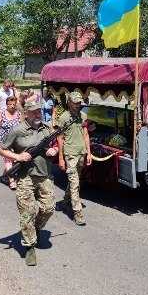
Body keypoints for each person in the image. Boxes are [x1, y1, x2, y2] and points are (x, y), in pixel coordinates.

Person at [0, 99, 58, 266]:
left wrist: (55, 150)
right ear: (26, 113)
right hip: (25, 177)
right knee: (27, 212)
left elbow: (54, 144)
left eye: (39, 111)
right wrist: (17, 157)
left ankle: (35, 229)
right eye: (34, 112)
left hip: (44, 175)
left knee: (48, 208)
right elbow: (0, 148)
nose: (38, 114)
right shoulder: (18, 130)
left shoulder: (46, 128)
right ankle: (29, 245)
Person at [56, 92, 92, 226]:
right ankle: (78, 213)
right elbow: (60, 138)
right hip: (70, 154)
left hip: (81, 153)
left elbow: (86, 134)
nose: (77, 105)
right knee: (74, 182)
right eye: (75, 102)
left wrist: (89, 153)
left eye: (79, 103)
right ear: (69, 103)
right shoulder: (64, 117)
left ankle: (65, 201)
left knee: (74, 181)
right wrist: (61, 158)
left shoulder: (83, 116)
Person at [0, 95, 21, 189]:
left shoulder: (18, 114)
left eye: (14, 104)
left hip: (16, 141)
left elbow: (22, 126)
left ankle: (4, 176)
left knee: (14, 161)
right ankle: (12, 181)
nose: (12, 106)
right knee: (8, 160)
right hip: (5, 142)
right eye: (10, 104)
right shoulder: (1, 114)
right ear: (6, 104)